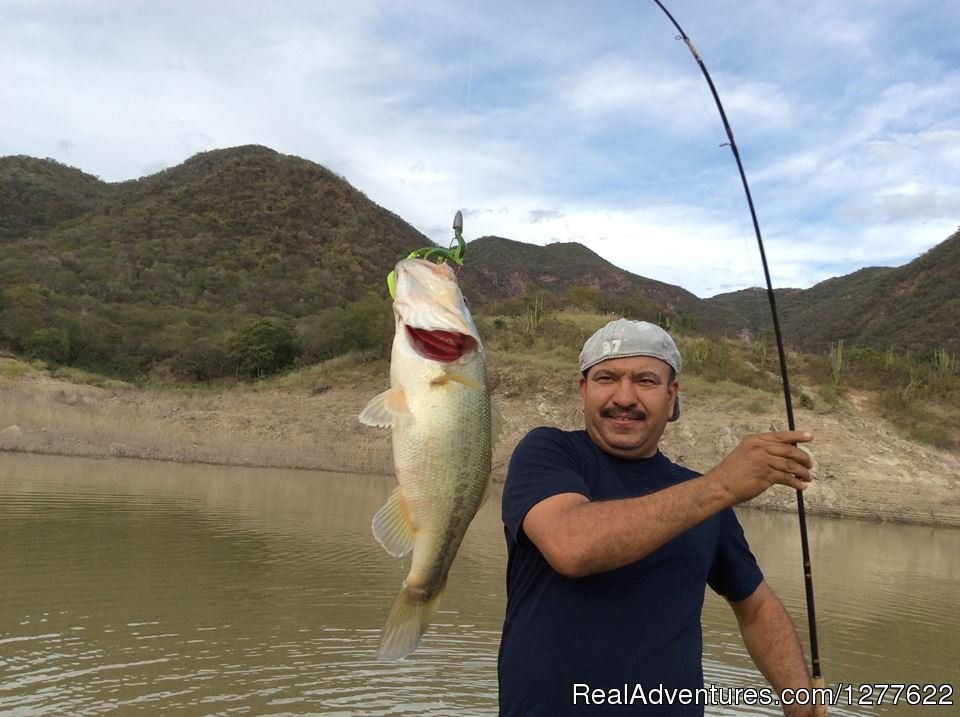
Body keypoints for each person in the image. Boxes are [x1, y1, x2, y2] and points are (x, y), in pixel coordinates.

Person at [498, 319, 818, 716]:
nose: (625, 397)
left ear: (672, 396)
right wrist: (720, 486)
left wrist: (800, 701)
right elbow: (571, 546)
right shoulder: (549, 452)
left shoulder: (704, 497)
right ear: (583, 391)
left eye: (646, 381)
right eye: (606, 378)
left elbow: (756, 608)